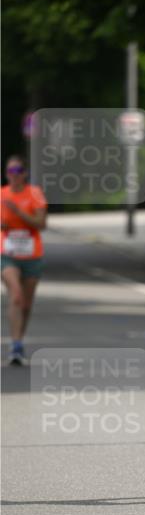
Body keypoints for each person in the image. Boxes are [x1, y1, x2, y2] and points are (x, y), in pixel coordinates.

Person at [1, 155, 47, 366]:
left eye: (18, 170)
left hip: (31, 255)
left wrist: (18, 212)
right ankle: (15, 345)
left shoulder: (34, 194)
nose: (15, 175)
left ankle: (19, 339)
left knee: (26, 304)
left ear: (25, 173)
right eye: (11, 171)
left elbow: (41, 223)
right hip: (7, 253)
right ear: (6, 174)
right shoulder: (2, 195)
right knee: (16, 296)